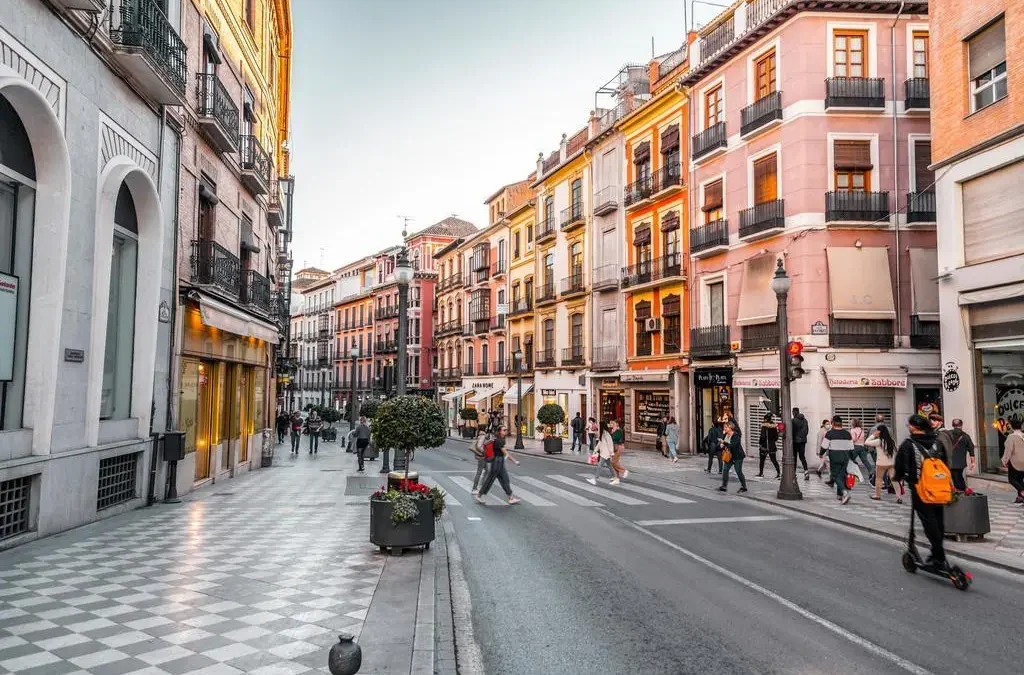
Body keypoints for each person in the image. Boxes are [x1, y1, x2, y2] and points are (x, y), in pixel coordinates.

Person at [893, 414, 949, 568]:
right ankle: (938, 551)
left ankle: (938, 554)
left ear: (914, 427)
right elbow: (945, 462)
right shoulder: (937, 442)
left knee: (928, 519)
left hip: (920, 488)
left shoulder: (908, 444)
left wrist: (898, 477)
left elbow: (899, 465)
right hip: (939, 486)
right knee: (938, 519)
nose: (908, 427)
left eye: (909, 425)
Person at [474, 426, 521, 504]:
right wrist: (514, 461)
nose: (506, 431)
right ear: (500, 431)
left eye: (506, 430)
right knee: (490, 480)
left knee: (505, 479)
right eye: (504, 430)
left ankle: (510, 497)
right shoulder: (498, 441)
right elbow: (505, 453)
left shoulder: (499, 439)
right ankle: (479, 495)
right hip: (497, 462)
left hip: (500, 461)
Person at [866, 424, 904, 503]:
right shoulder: (892, 440)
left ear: (880, 431)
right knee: (894, 480)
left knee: (879, 479)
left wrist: (873, 435)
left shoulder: (879, 441)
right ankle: (898, 497)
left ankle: (877, 495)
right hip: (891, 463)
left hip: (881, 463)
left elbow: (866, 442)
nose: (876, 431)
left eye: (877, 430)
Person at [820, 415, 853, 504]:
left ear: (833, 423)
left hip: (835, 457)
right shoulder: (847, 434)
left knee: (835, 476)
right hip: (845, 457)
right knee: (841, 476)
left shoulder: (830, 433)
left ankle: (845, 493)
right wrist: (852, 459)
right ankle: (839, 495)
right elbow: (851, 448)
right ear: (841, 423)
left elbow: (824, 446)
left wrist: (821, 454)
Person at [944, 418, 976, 492]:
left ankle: (960, 490)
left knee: (955, 477)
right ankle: (962, 490)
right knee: (958, 476)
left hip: (949, 461)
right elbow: (971, 448)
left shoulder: (947, 434)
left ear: (952, 425)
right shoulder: (966, 436)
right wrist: (973, 462)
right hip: (961, 463)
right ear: (961, 425)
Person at [718, 421, 747, 493]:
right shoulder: (725, 435)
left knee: (738, 471)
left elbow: (733, 445)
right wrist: (721, 445)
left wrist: (724, 443)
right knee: (725, 470)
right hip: (729, 456)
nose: (724, 428)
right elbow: (724, 445)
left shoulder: (736, 435)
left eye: (726, 427)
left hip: (737, 456)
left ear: (730, 428)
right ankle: (724, 486)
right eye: (724, 427)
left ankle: (744, 487)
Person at [1002, 417, 1024, 505]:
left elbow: (1008, 451)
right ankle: (1020, 498)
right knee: (1020, 479)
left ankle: (1022, 493)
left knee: (1012, 479)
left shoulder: (1011, 437)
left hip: (1016, 462)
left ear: (1011, 426)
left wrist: (1004, 461)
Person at [848, 418, 875, 484]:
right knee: (865, 461)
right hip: (862, 447)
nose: (850, 423)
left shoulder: (853, 430)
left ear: (854, 423)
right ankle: (872, 472)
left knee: (849, 459)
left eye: (851, 422)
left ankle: (849, 474)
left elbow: (853, 439)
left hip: (855, 447)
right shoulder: (861, 430)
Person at [757, 413, 781, 479]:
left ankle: (761, 473)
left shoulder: (764, 425)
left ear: (765, 419)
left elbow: (762, 436)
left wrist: (760, 443)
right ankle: (779, 473)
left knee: (762, 460)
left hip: (764, 445)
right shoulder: (773, 425)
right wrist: (772, 441)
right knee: (774, 460)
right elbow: (776, 437)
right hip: (772, 445)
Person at [470, 427, 492, 494]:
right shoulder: (482, 436)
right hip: (482, 457)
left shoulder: (481, 436)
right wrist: (484, 452)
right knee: (479, 472)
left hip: (482, 457)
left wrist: (489, 441)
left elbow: (483, 444)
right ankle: (474, 488)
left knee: (487, 470)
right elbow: (479, 446)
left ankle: (481, 485)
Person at [792, 407, 809, 476]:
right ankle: (806, 471)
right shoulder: (805, 420)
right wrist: (802, 437)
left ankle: (794, 472)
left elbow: (792, 432)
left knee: (794, 457)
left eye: (793, 412)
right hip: (803, 441)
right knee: (802, 457)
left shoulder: (793, 421)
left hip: (795, 441)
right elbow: (806, 431)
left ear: (794, 412)